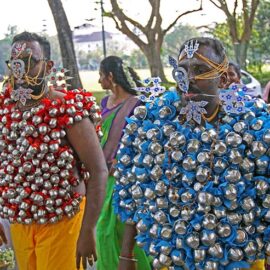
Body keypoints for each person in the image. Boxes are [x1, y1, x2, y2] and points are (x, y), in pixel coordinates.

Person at [113, 37, 269, 270]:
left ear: (223, 78)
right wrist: (127, 255)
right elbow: (134, 192)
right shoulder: (154, 124)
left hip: (240, 259)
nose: (188, 79)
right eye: (182, 70)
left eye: (199, 69)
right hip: (174, 259)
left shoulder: (254, 129)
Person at [0, 31, 108, 270]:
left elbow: (98, 170)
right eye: (15, 63)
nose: (21, 71)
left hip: (63, 221)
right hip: (21, 222)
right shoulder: (5, 108)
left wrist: (88, 230)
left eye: (30, 62)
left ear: (47, 66)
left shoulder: (66, 108)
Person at [96, 56, 151, 270]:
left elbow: (146, 141)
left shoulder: (138, 104)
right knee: (103, 230)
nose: (100, 81)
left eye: (102, 76)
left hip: (127, 176)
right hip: (104, 175)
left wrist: (125, 161)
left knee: (119, 231)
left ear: (111, 77)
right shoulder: (104, 103)